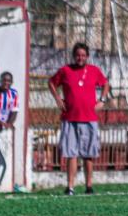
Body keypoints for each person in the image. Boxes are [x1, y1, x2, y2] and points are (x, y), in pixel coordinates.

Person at [48, 42, 111, 196]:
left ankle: (89, 186)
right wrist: (57, 99)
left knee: (88, 154)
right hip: (70, 118)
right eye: (78, 55)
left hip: (89, 118)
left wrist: (102, 100)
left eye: (83, 55)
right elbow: (51, 83)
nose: (80, 58)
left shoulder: (94, 70)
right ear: (74, 56)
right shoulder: (65, 70)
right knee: (71, 154)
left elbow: (105, 84)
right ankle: (70, 187)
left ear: (87, 56)